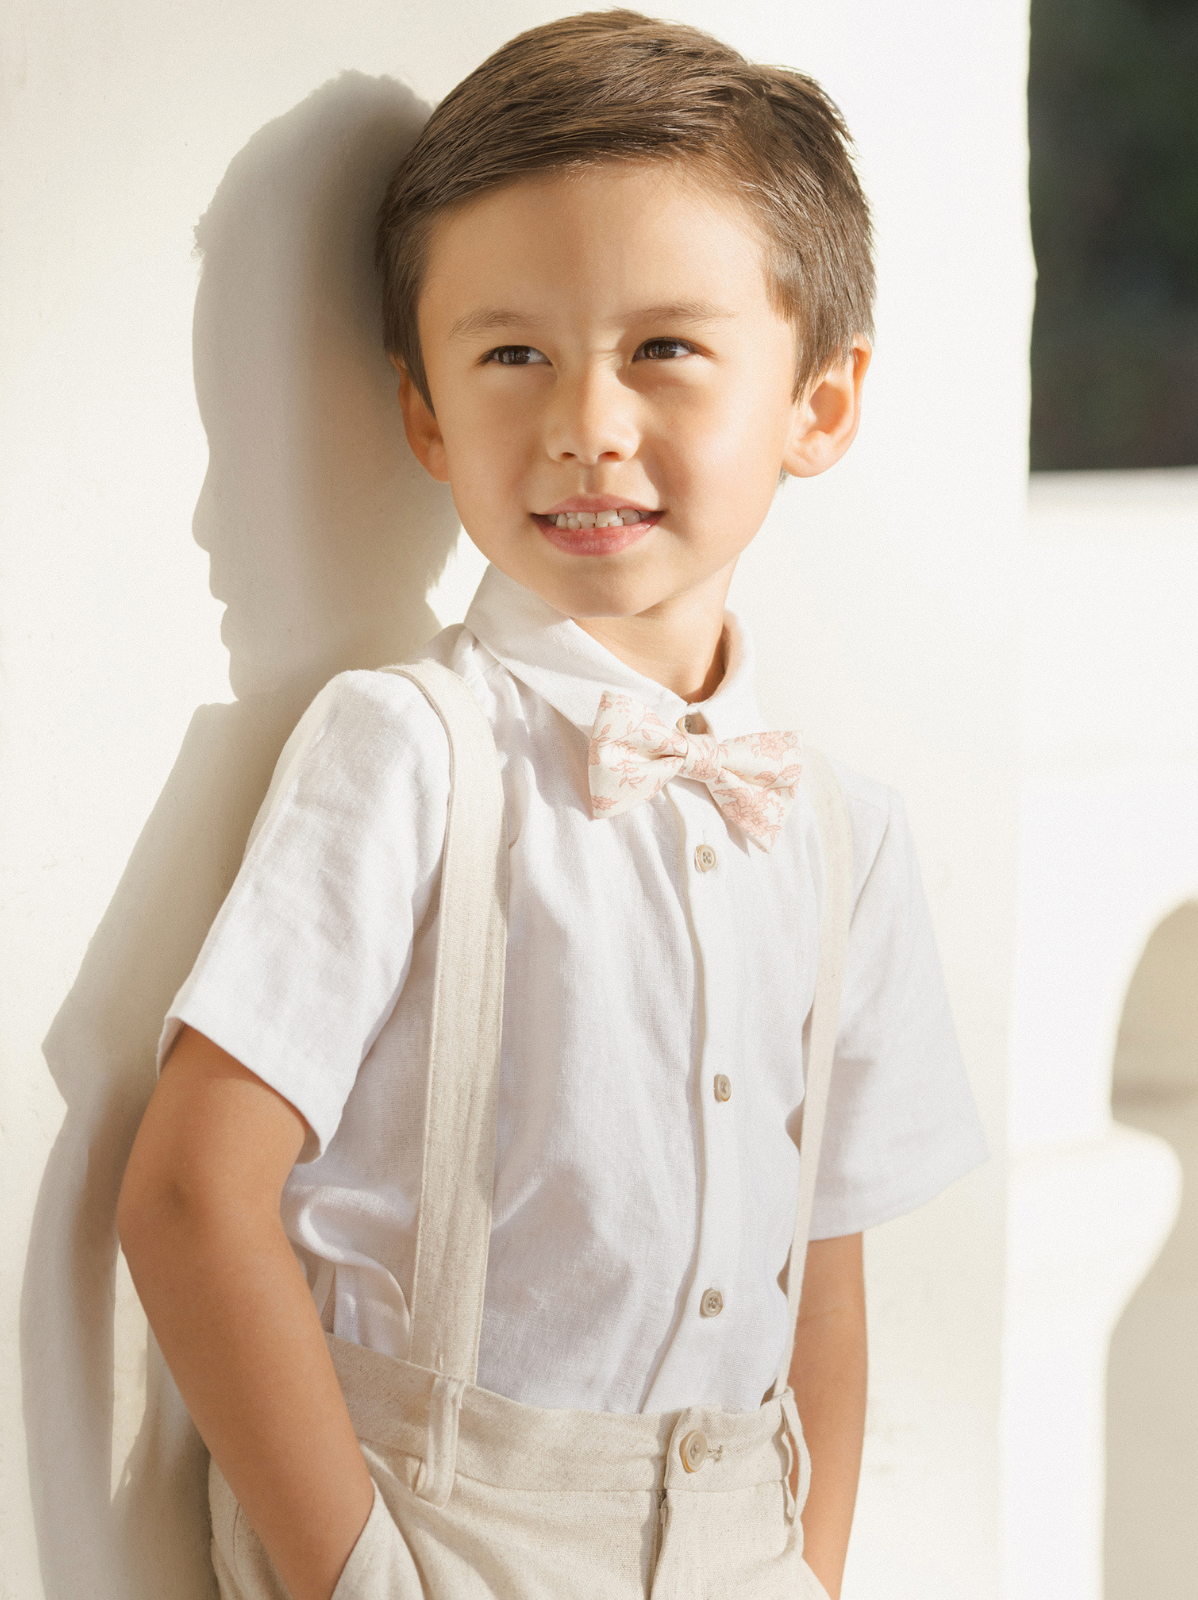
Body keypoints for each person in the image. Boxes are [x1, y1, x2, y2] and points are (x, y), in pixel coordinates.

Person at [117, 12, 987, 1600]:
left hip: (741, 1526)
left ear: (820, 403)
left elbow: (826, 1263)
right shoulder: (404, 749)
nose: (586, 419)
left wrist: (807, 1566)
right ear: (427, 413)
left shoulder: (844, 831)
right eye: (513, 352)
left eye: (663, 347)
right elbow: (187, 1192)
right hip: (445, 1525)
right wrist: (363, 1575)